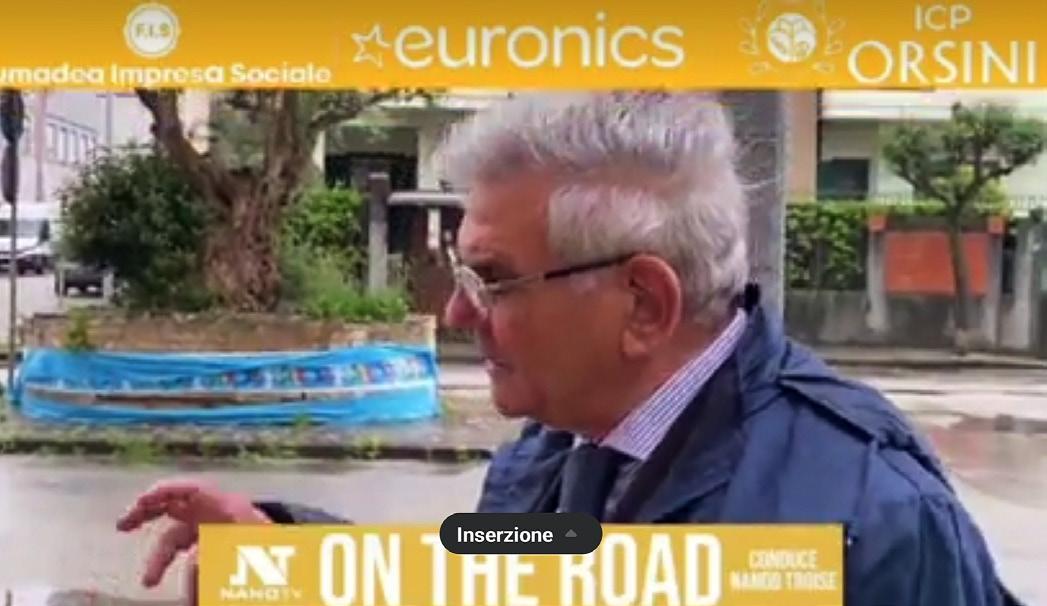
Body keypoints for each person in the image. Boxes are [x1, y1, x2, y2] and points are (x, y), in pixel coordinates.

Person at [117, 91, 1023, 606]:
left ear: (642, 304)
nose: (459, 315)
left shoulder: (869, 525)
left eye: (492, 280)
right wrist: (286, 555)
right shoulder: (562, 445)